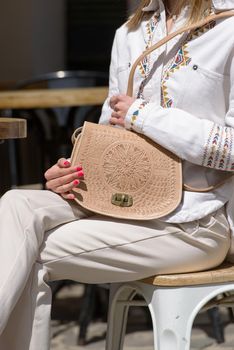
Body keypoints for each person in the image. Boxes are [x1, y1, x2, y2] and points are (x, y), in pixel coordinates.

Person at [1, 0, 234, 349]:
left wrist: (145, 116)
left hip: (196, 221)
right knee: (16, 203)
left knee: (20, 252)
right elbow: (112, 135)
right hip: (124, 202)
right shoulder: (130, 32)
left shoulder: (228, 28)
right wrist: (74, 171)